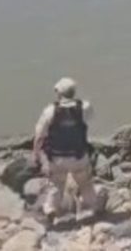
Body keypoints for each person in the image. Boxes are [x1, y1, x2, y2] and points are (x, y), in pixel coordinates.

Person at [33, 78, 99, 222]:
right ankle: (92, 208)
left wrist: (36, 155)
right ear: (73, 91)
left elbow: (39, 136)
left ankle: (50, 209)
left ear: (58, 93)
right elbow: (88, 120)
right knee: (85, 183)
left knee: (55, 185)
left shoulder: (50, 111)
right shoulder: (85, 107)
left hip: (57, 157)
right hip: (79, 155)